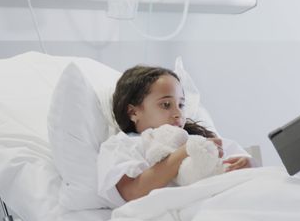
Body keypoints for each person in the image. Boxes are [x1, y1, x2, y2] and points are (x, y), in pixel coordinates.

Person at [97, 65, 252, 207]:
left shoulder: (197, 138)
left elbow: (243, 161)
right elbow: (132, 193)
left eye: (181, 105)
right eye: (166, 105)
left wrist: (245, 164)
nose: (178, 114)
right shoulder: (122, 145)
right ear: (133, 112)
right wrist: (185, 151)